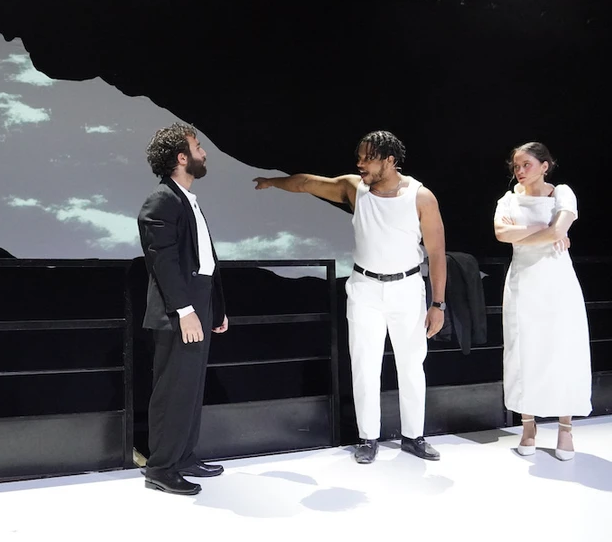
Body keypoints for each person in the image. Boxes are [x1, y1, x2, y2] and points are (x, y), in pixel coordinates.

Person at [253, 130, 445, 463]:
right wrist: (273, 181)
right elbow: (306, 183)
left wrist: (438, 303)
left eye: (367, 158)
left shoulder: (421, 197)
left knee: (412, 365)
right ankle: (368, 438)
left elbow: (438, 252)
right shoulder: (355, 189)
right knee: (364, 364)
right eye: (359, 157)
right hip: (365, 287)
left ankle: (414, 436)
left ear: (389, 160)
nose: (360, 163)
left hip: (406, 288)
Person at [137, 122, 229, 495]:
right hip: (181, 308)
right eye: (197, 146)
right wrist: (185, 310)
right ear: (181, 157)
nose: (203, 152)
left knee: (191, 386)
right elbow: (164, 262)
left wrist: (215, 308)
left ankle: (183, 457)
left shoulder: (186, 198)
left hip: (198, 301)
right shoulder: (163, 200)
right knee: (173, 389)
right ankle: (161, 468)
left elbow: (205, 261)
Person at [493, 142, 591, 460]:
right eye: (516, 166)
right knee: (524, 352)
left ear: (544, 166)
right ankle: (528, 427)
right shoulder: (509, 199)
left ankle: (565, 428)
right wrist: (541, 228)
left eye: (527, 165)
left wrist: (531, 233)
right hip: (523, 282)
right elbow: (500, 234)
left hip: (557, 281)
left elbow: (558, 230)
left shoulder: (561, 193)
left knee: (563, 350)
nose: (520, 171)